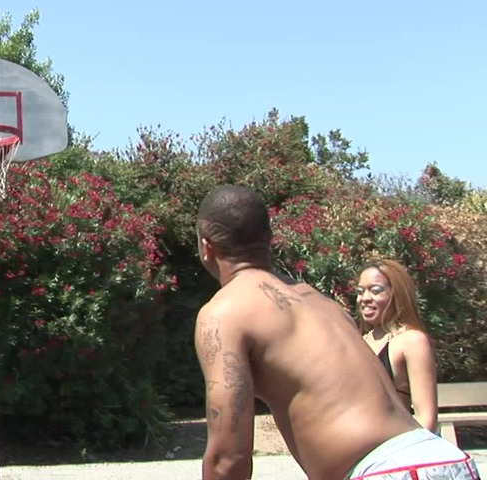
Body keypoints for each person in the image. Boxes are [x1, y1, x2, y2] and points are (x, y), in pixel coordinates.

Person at [192, 184, 480, 480]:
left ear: (206, 246)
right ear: (269, 239)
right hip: (448, 460)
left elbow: (228, 459)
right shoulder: (323, 304)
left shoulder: (224, 313)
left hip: (386, 471)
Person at [356, 259, 439, 431]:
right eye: (360, 291)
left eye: (376, 291)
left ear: (396, 294)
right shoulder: (360, 341)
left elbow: (426, 417)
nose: (365, 298)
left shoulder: (412, 341)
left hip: (397, 442)